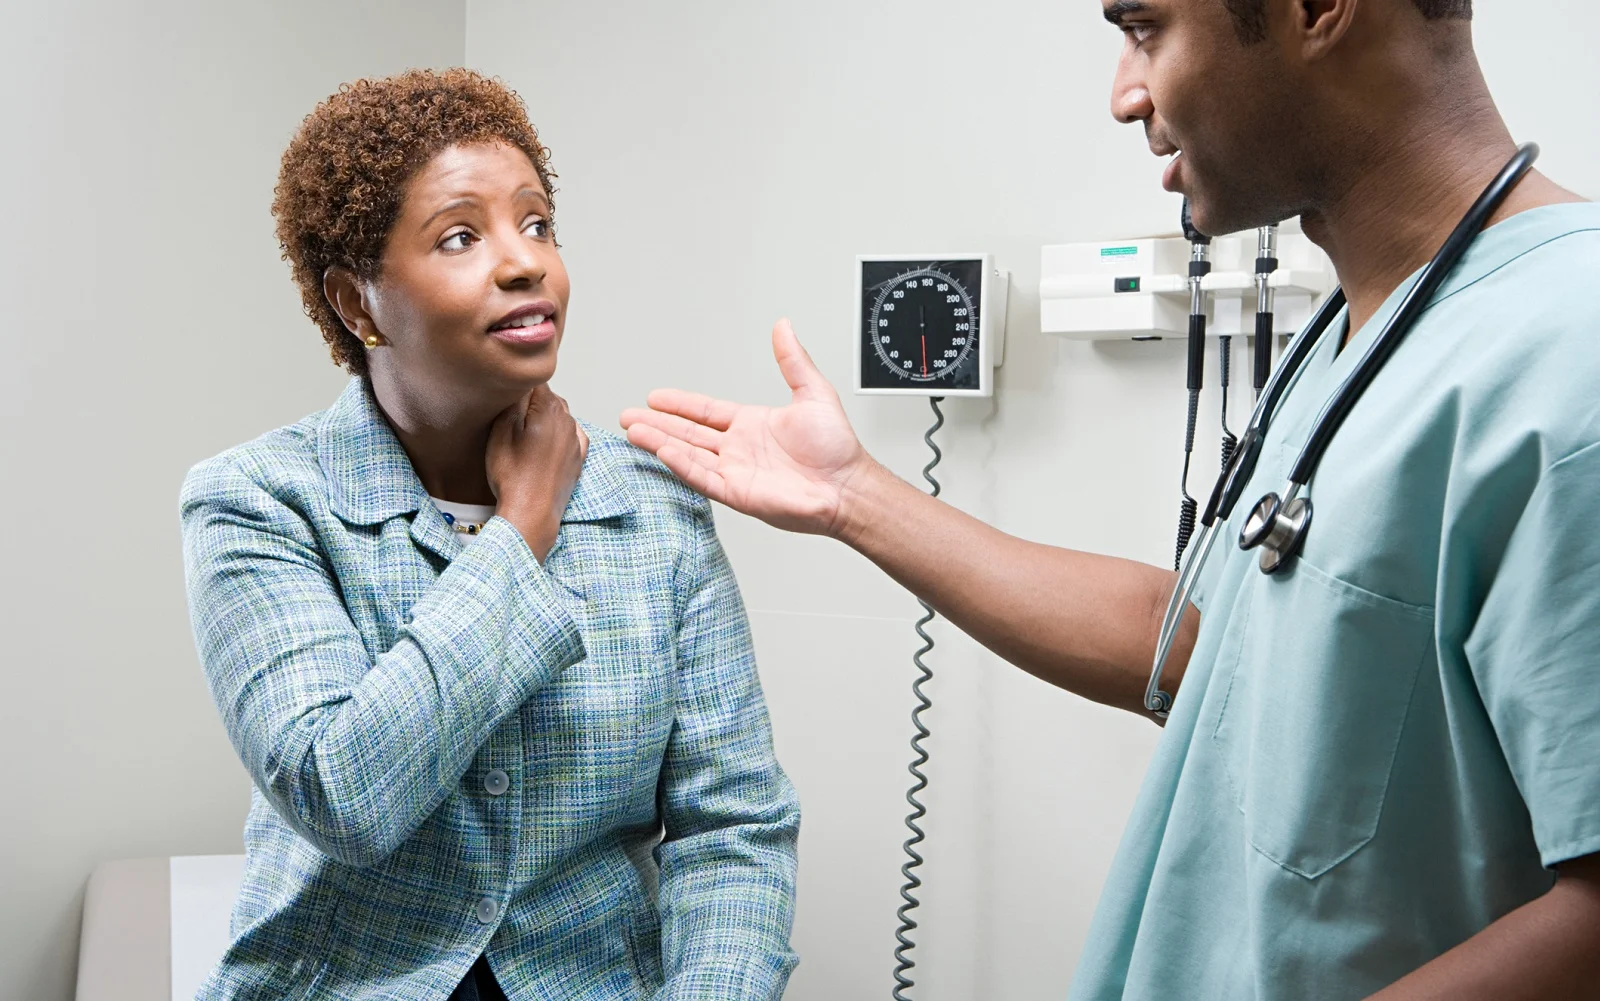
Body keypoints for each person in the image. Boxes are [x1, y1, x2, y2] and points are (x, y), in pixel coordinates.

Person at [621, 1, 1600, 997]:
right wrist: (852, 495)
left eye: (1146, 28)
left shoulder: (1570, 356)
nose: (1123, 93)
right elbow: (1198, 648)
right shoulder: (1357, 329)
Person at [181, 69, 798, 1001]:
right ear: (358, 305)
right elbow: (345, 793)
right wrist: (521, 530)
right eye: (461, 236)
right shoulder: (260, 503)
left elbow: (733, 827)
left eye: (538, 223)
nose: (525, 263)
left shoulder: (657, 508)